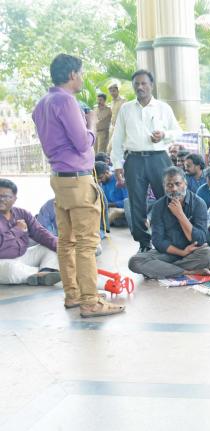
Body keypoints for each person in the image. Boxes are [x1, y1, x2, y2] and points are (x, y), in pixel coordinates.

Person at [32, 54, 123, 317]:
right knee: (86, 243)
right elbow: (83, 143)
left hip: (59, 177)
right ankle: (90, 301)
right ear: (72, 74)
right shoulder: (66, 100)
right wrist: (91, 123)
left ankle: (73, 294)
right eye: (81, 73)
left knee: (67, 240)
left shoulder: (43, 103)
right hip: (78, 179)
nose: (82, 78)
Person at [111, 69, 181, 253]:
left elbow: (178, 131)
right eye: (137, 84)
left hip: (159, 158)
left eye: (144, 83)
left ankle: (170, 238)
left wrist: (164, 135)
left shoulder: (163, 108)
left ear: (151, 85)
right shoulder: (126, 109)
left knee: (167, 198)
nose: (140, 87)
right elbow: (117, 139)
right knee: (136, 203)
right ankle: (144, 243)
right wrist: (118, 165)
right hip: (134, 160)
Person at [128, 167, 210, 279]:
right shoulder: (159, 206)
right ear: (164, 187)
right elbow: (157, 241)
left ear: (185, 183)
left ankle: (162, 269)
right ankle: (188, 272)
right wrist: (182, 253)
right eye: (169, 185)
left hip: (193, 253)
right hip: (168, 253)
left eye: (177, 184)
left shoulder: (199, 203)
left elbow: (200, 239)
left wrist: (180, 215)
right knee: (134, 261)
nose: (174, 189)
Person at [0, 178, 60, 285]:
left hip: (22, 257)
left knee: (48, 248)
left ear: (14, 199)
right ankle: (47, 272)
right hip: (3, 262)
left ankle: (42, 273)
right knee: (11, 270)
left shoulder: (22, 213)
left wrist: (62, 247)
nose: (1, 199)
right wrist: (18, 230)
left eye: (6, 196)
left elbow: (40, 233)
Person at [96, 161, 127, 227]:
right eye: (97, 179)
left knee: (113, 211)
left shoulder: (120, 181)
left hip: (124, 212)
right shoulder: (102, 183)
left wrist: (111, 204)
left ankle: (100, 229)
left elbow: (128, 202)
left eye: (100, 177)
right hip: (109, 210)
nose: (99, 181)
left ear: (107, 172)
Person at [105, 83, 125, 152]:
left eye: (113, 91)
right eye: (110, 91)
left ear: (118, 91)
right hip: (112, 128)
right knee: (111, 149)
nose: (112, 93)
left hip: (120, 128)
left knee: (113, 148)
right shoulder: (111, 102)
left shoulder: (123, 101)